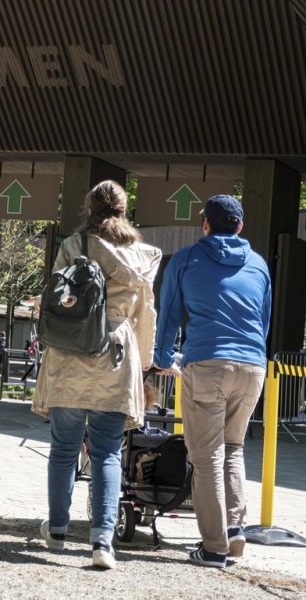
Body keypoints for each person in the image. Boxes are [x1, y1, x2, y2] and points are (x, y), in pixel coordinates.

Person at [33, 180, 161, 570]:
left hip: (71, 352)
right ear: (124, 209)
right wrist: (145, 360)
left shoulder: (73, 246)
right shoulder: (144, 256)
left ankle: (56, 530)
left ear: (89, 208)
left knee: (63, 450)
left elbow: (56, 296)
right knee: (106, 452)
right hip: (117, 352)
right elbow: (146, 313)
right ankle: (102, 542)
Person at [153, 195, 271, 568]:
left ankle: (214, 547)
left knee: (206, 458)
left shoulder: (187, 259)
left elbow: (169, 313)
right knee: (233, 447)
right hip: (252, 367)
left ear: (205, 224)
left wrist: (160, 359)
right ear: (239, 227)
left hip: (206, 363)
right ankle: (234, 531)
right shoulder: (259, 264)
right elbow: (263, 321)